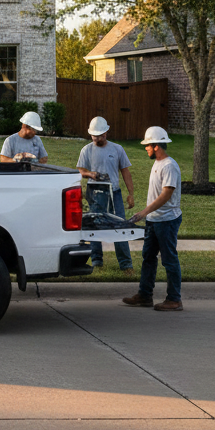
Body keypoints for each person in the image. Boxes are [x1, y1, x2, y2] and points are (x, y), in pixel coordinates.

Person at [122, 126, 183, 312]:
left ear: (156, 145)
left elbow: (166, 195)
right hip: (154, 220)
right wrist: (148, 215)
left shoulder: (169, 166)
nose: (146, 148)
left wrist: (143, 212)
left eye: (148, 145)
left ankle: (174, 299)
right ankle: (145, 295)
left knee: (169, 259)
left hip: (167, 220)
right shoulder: (157, 163)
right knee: (148, 257)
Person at [77, 116, 135, 275]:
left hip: (114, 192)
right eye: (94, 136)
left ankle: (126, 264)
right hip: (95, 192)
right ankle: (96, 260)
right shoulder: (87, 150)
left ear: (106, 133)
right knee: (95, 226)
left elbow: (125, 171)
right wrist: (90, 174)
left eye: (100, 136)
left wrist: (130, 194)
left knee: (119, 226)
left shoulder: (117, 149)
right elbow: (80, 171)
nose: (97, 139)